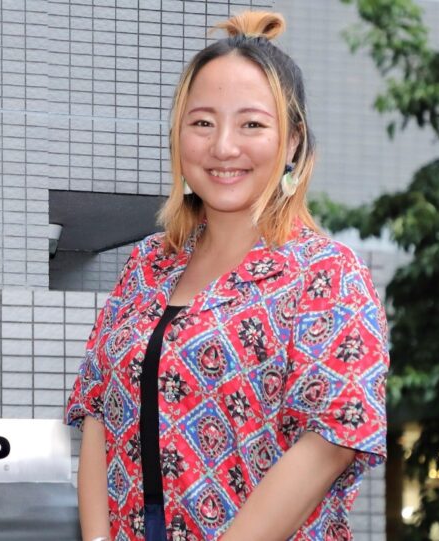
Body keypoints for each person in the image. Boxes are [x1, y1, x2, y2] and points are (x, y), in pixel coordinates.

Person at [65, 10, 390, 541]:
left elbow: (331, 436)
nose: (222, 147)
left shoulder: (326, 273)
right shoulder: (147, 265)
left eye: (251, 124)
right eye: (202, 123)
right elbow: (99, 410)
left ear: (292, 142)